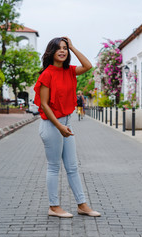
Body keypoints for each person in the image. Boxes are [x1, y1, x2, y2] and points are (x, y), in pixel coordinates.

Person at [34, 37, 101, 218]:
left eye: (65, 48)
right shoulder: (47, 74)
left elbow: (88, 66)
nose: (63, 51)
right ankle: (54, 207)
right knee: (54, 167)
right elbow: (45, 105)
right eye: (59, 48)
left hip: (66, 123)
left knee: (72, 166)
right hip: (51, 125)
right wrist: (59, 127)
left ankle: (82, 205)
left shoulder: (70, 71)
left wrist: (73, 46)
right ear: (51, 52)